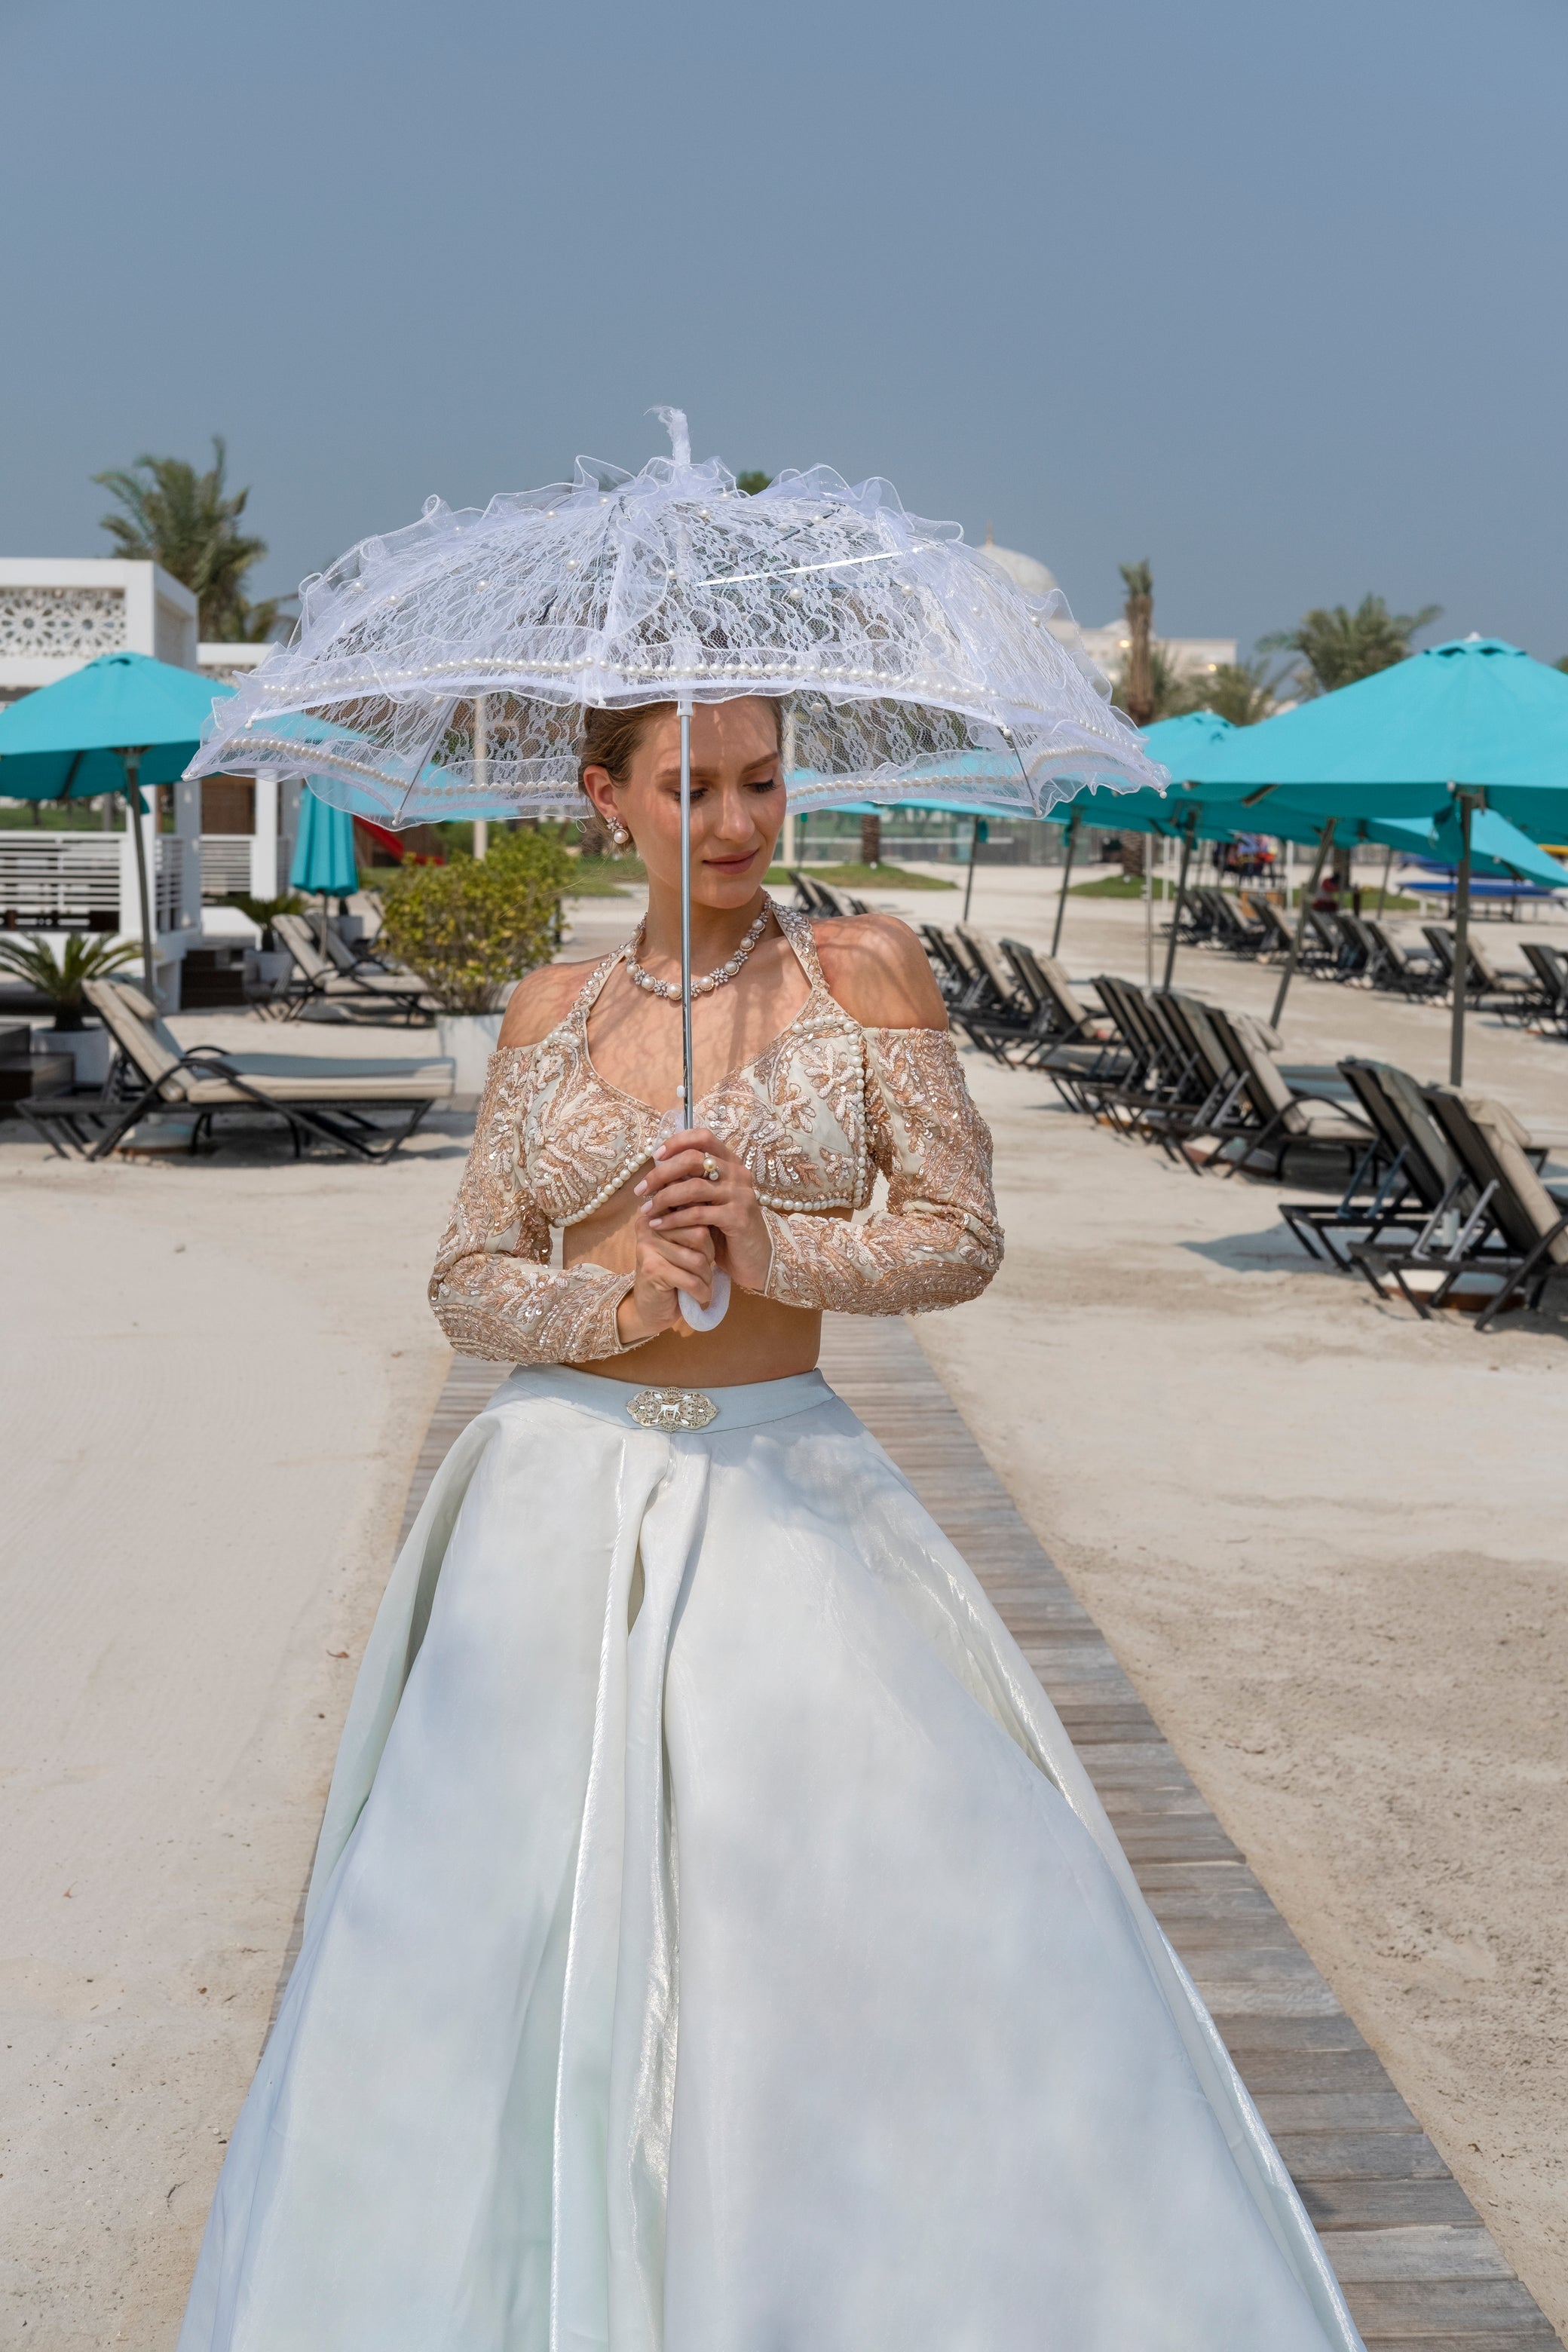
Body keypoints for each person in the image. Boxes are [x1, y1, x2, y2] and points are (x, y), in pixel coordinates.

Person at [177, 697, 1360, 2352]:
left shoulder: (862, 972)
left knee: (845, 1910)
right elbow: (465, 1280)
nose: (733, 822)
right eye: (688, 789)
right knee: (474, 1929)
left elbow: (956, 1238)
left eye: (758, 783)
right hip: (552, 1498)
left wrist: (769, 1240)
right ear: (607, 800)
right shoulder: (546, 1008)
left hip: (784, 1492)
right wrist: (615, 1299)